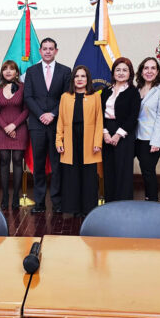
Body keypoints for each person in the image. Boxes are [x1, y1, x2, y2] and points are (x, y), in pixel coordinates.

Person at [23, 37, 71, 213]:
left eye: (51, 48)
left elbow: (66, 97)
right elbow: (28, 96)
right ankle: (40, 203)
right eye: (45, 48)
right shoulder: (31, 71)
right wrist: (41, 114)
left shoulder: (66, 71)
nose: (48, 51)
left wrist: (52, 114)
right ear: (41, 51)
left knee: (58, 165)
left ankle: (58, 203)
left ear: (56, 51)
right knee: (39, 165)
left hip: (57, 124)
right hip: (37, 125)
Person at [56, 65, 103, 216]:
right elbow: (61, 121)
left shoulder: (95, 96)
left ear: (88, 79)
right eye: (77, 76)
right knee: (72, 174)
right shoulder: (65, 97)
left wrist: (97, 142)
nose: (80, 79)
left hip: (89, 140)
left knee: (88, 175)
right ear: (73, 79)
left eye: (83, 76)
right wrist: (59, 141)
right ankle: (73, 208)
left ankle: (88, 209)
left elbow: (99, 121)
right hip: (70, 138)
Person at [101, 57, 141, 202]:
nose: (121, 73)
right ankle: (110, 202)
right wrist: (105, 132)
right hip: (106, 130)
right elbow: (99, 113)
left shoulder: (133, 92)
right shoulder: (106, 91)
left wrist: (118, 135)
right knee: (109, 169)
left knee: (123, 170)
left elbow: (133, 117)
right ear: (113, 72)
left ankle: (123, 204)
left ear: (130, 73)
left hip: (124, 133)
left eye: (125, 70)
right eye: (118, 70)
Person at [0, 60, 29, 210]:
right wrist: (5, 126)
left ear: (16, 73)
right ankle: (5, 195)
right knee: (4, 160)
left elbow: (26, 109)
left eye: (11, 69)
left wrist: (13, 125)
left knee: (18, 160)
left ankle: (16, 196)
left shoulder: (23, 88)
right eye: (5, 69)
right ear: (2, 72)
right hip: (2, 129)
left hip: (19, 129)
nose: (8, 71)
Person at [134, 56, 160, 202]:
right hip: (136, 136)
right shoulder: (136, 89)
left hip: (152, 138)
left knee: (147, 170)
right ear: (141, 71)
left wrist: (156, 141)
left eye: (153, 68)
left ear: (157, 72)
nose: (149, 71)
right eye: (146, 68)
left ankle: (152, 201)